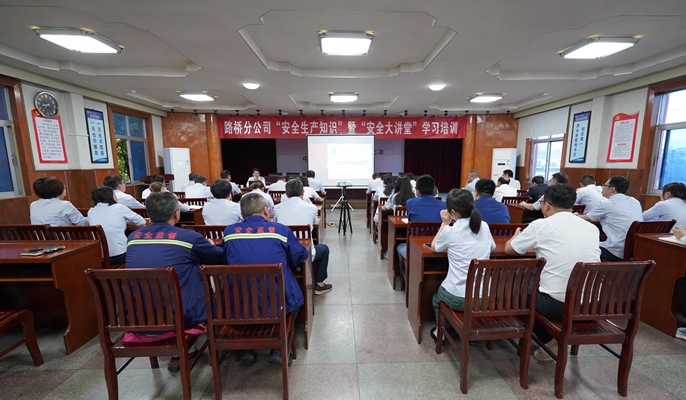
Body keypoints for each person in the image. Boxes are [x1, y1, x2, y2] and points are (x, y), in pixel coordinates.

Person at [126, 192, 225, 371]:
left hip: (139, 316)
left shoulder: (133, 238)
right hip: (181, 315)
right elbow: (218, 257)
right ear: (176, 213)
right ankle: (210, 341)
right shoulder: (188, 238)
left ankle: (185, 349)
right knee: (212, 277)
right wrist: (210, 245)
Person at [505, 184, 601, 361]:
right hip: (592, 304)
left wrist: (515, 236)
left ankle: (549, 340)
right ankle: (553, 336)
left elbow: (510, 250)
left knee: (514, 291)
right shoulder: (591, 228)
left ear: (547, 205)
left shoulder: (541, 225)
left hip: (559, 306)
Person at [222, 192, 307, 366]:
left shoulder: (229, 232)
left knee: (246, 293)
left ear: (242, 213)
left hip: (239, 303)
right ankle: (279, 348)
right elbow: (300, 256)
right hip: (277, 301)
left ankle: (246, 349)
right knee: (295, 295)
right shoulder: (280, 230)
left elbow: (225, 257)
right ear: (266, 211)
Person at [430, 189, 495, 344]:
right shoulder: (484, 226)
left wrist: (444, 223)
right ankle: (472, 332)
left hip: (458, 297)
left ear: (452, 212)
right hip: (484, 297)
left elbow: (434, 247)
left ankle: (441, 332)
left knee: (436, 299)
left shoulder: (451, 231)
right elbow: (492, 247)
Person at [274, 178, 333, 295]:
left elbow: (277, 226)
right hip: (305, 252)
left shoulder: (277, 208)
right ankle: (319, 284)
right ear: (303, 192)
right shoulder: (311, 208)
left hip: (283, 252)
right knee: (324, 249)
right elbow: (313, 223)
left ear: (286, 194)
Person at [580, 176, 643, 261]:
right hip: (633, 250)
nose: (602, 188)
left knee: (583, 246)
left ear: (612, 189)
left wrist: (573, 215)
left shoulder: (607, 204)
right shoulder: (635, 202)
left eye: (604, 185)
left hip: (615, 251)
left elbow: (584, 218)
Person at [396, 175, 446, 269]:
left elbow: (410, 218)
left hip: (415, 248)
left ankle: (406, 274)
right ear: (433, 189)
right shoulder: (443, 205)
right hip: (437, 247)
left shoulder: (410, 203)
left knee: (399, 246)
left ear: (418, 191)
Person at [88, 186, 146, 264]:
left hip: (101, 257)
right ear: (110, 196)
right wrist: (125, 222)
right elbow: (141, 221)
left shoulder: (91, 211)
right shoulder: (119, 207)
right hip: (120, 255)